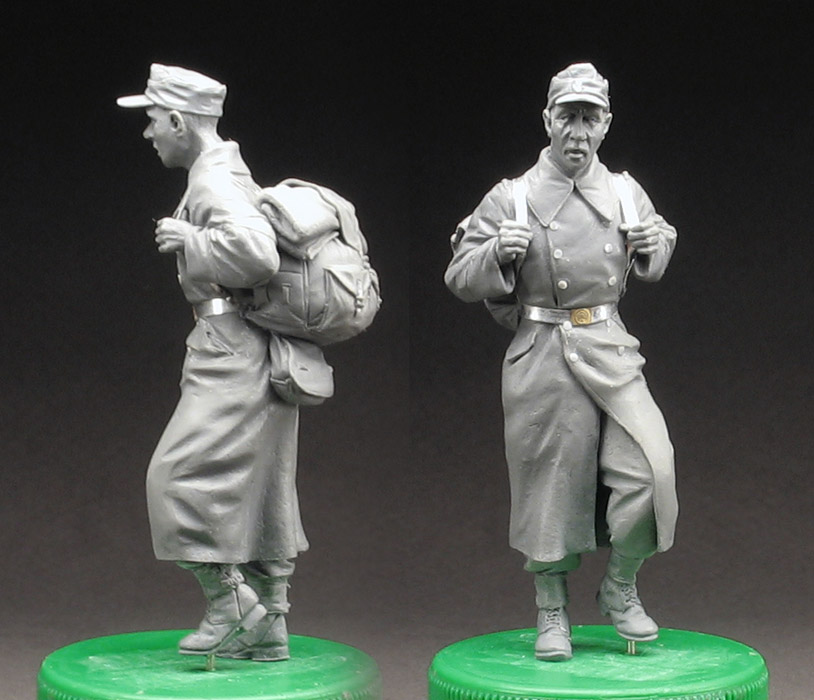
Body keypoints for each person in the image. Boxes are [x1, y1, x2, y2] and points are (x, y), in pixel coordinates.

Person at [445, 63, 678, 661]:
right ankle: (551, 608)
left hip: (610, 347)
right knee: (549, 488)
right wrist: (496, 253)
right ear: (547, 119)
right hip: (544, 355)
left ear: (606, 124)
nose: (578, 131)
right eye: (567, 117)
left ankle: (620, 584)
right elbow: (459, 274)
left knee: (650, 470)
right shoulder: (513, 196)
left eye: (589, 118)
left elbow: (656, 246)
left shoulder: (624, 192)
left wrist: (656, 245)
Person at [117, 64, 306, 661]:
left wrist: (190, 240)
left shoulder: (213, 182)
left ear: (178, 121)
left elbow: (257, 256)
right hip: (253, 349)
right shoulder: (226, 173)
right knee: (263, 488)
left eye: (153, 120)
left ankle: (232, 605)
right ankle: (270, 625)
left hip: (230, 351)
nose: (149, 132)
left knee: (172, 478)